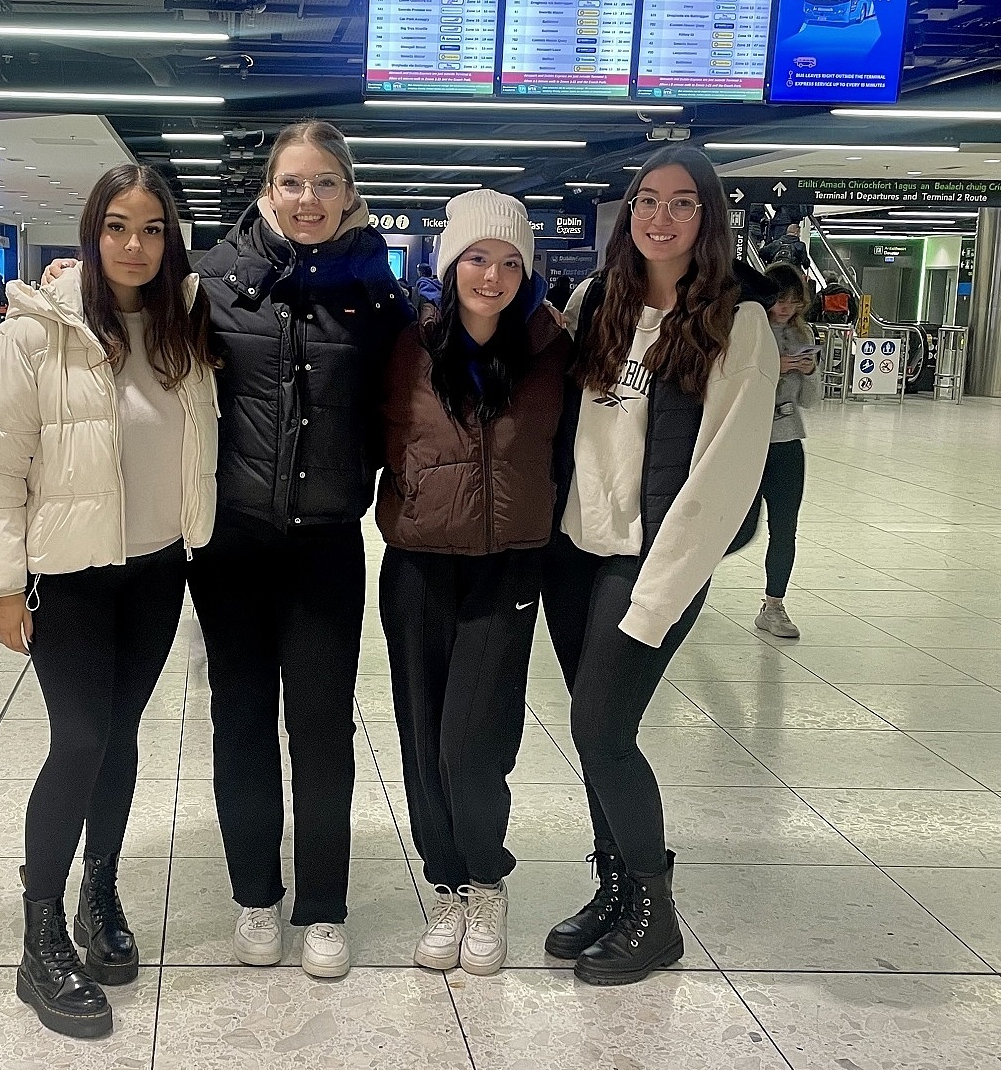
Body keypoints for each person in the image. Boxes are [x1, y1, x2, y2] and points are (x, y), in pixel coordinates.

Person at [0, 163, 217, 1039]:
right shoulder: (35, 336)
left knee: (118, 736)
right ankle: (40, 936)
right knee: (79, 738)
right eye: (118, 227)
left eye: (152, 229)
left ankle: (99, 894)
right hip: (68, 575)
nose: (135, 246)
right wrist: (2, 585)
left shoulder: (186, 328)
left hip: (155, 571)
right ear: (90, 231)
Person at [542, 144, 777, 986]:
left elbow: (723, 478)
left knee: (600, 731)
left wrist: (660, 593)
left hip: (650, 563)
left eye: (683, 204)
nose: (661, 218)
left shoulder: (735, 323)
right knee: (596, 728)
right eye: (648, 201)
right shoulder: (598, 303)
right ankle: (613, 889)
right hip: (576, 556)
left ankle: (654, 908)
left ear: (708, 220)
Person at [188, 121, 414, 978]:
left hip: (326, 544)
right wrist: (71, 282)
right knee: (239, 720)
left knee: (321, 727)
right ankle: (256, 898)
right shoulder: (207, 283)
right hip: (231, 545)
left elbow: (416, 391)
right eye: (291, 183)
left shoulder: (375, 294)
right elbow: (128, 330)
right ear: (266, 190)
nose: (307, 199)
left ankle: (322, 907)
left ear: (349, 193)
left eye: (324, 183)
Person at [377, 191, 569, 976]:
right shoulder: (405, 346)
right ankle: (447, 885)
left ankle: (487, 879)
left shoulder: (556, 347)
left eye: (510, 261)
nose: (492, 275)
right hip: (418, 563)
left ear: (528, 272)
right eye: (477, 258)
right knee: (423, 739)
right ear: (449, 263)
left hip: (511, 563)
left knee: (474, 739)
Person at [747, 263, 819, 640]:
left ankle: (774, 603)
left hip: (787, 440)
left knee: (784, 528)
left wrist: (807, 371)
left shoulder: (801, 334)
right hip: (745, 441)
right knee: (729, 526)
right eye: (779, 299)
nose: (785, 308)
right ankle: (688, 592)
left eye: (793, 301)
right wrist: (772, 368)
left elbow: (812, 399)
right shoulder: (745, 325)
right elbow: (733, 383)